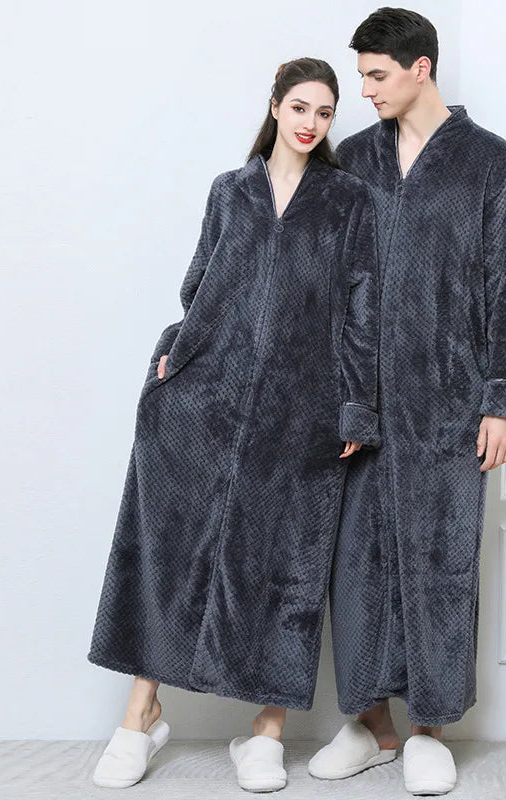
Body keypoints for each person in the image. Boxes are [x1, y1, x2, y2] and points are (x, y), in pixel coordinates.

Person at [87, 57, 381, 794]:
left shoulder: (349, 201)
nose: (311, 123)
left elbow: (361, 312)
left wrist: (355, 406)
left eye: (324, 112)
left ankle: (266, 731)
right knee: (173, 552)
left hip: (302, 411)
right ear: (275, 106)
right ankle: (141, 714)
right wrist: (176, 357)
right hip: (207, 397)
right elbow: (200, 287)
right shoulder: (231, 191)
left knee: (287, 565)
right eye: (300, 107)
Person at [307, 9, 506, 796]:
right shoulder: (353, 159)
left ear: (421, 68)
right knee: (355, 568)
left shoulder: (489, 162)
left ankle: (428, 730)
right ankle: (371, 726)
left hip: (450, 404)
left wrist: (504, 401)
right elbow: (321, 279)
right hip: (360, 406)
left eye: (376, 75)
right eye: (361, 76)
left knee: (441, 566)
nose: (364, 90)